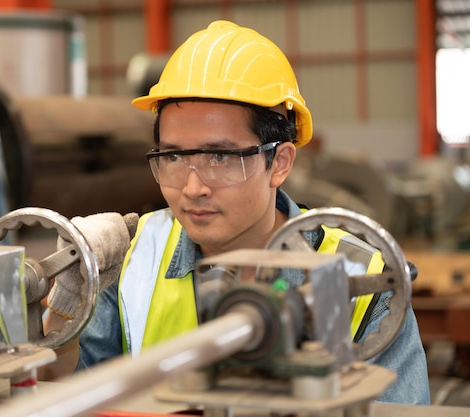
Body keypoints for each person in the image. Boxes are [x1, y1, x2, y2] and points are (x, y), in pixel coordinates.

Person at [42, 20, 430, 405]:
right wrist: (66, 313)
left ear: (279, 162)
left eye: (221, 157)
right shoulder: (131, 258)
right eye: (174, 156)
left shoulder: (363, 281)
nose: (193, 188)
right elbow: (73, 398)